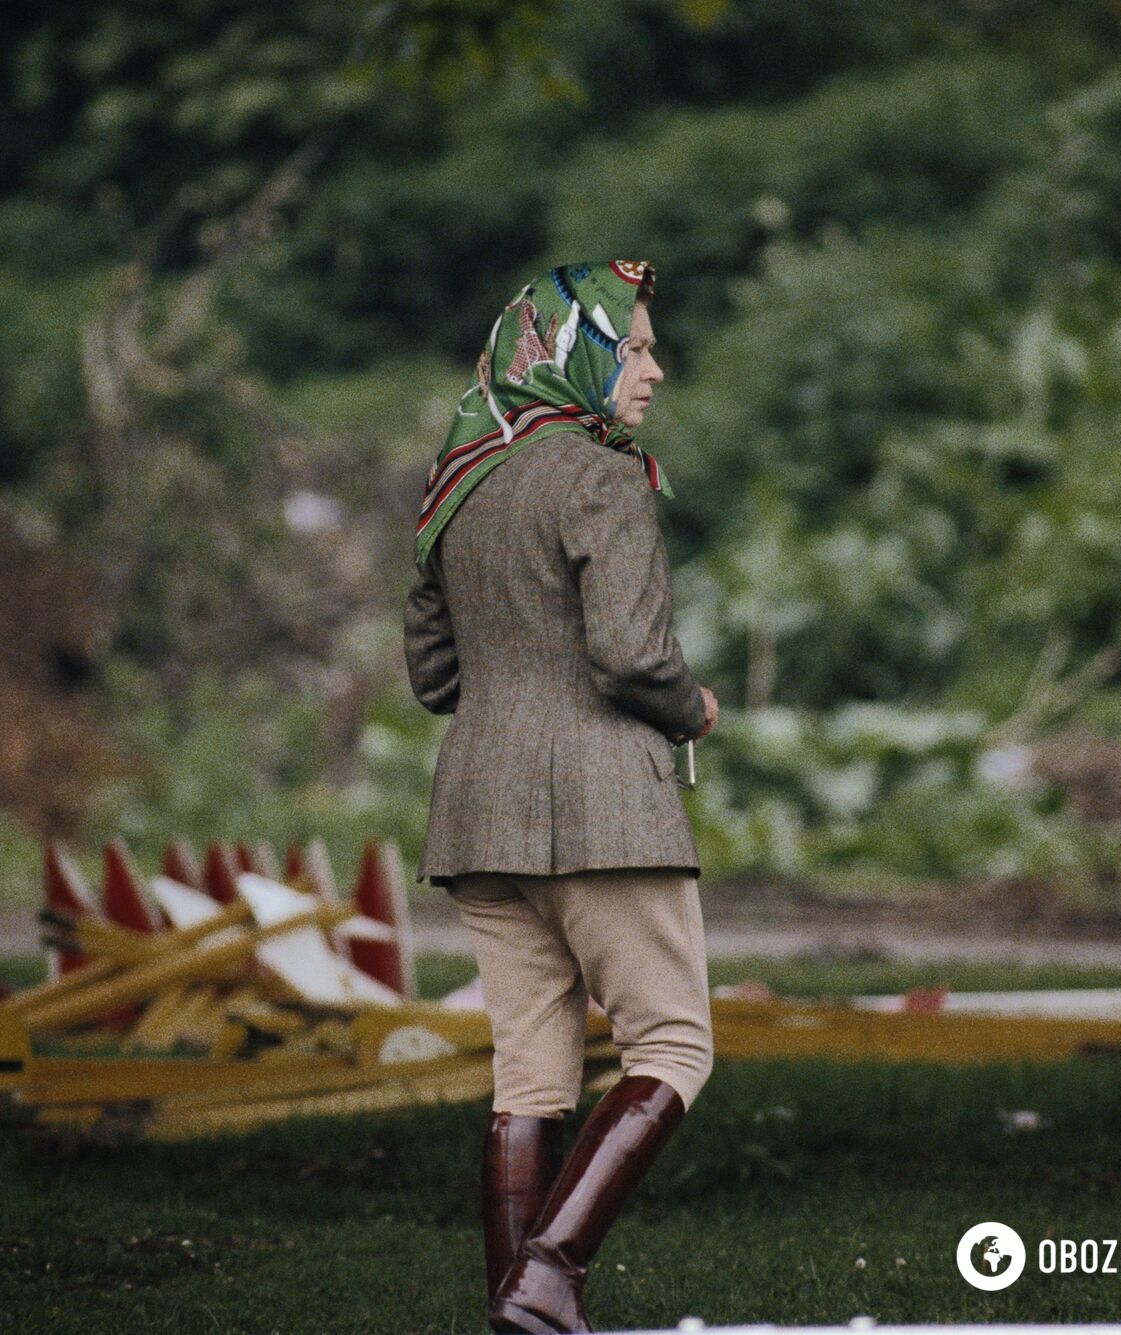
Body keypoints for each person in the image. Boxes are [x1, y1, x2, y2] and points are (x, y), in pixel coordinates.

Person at [403, 259, 718, 1334]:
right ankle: (548, 1278)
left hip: (477, 817)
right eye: (630, 347)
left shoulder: (459, 482)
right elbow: (631, 657)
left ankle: (517, 1311)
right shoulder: (597, 475)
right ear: (572, 350)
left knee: (529, 1071)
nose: (654, 370)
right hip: (600, 812)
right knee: (672, 1047)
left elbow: (433, 678)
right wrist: (694, 710)